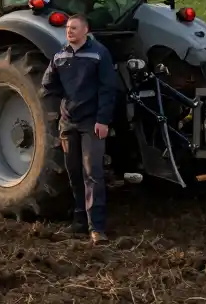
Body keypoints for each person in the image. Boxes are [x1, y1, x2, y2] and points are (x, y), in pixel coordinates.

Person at [40, 12, 119, 244]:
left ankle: (97, 227)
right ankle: (79, 222)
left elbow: (108, 88)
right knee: (74, 172)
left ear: (86, 30)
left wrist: (103, 120)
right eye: (67, 28)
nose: (69, 31)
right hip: (68, 123)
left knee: (92, 173)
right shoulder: (60, 55)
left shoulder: (98, 54)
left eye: (74, 28)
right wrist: (62, 106)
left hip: (91, 123)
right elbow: (48, 83)